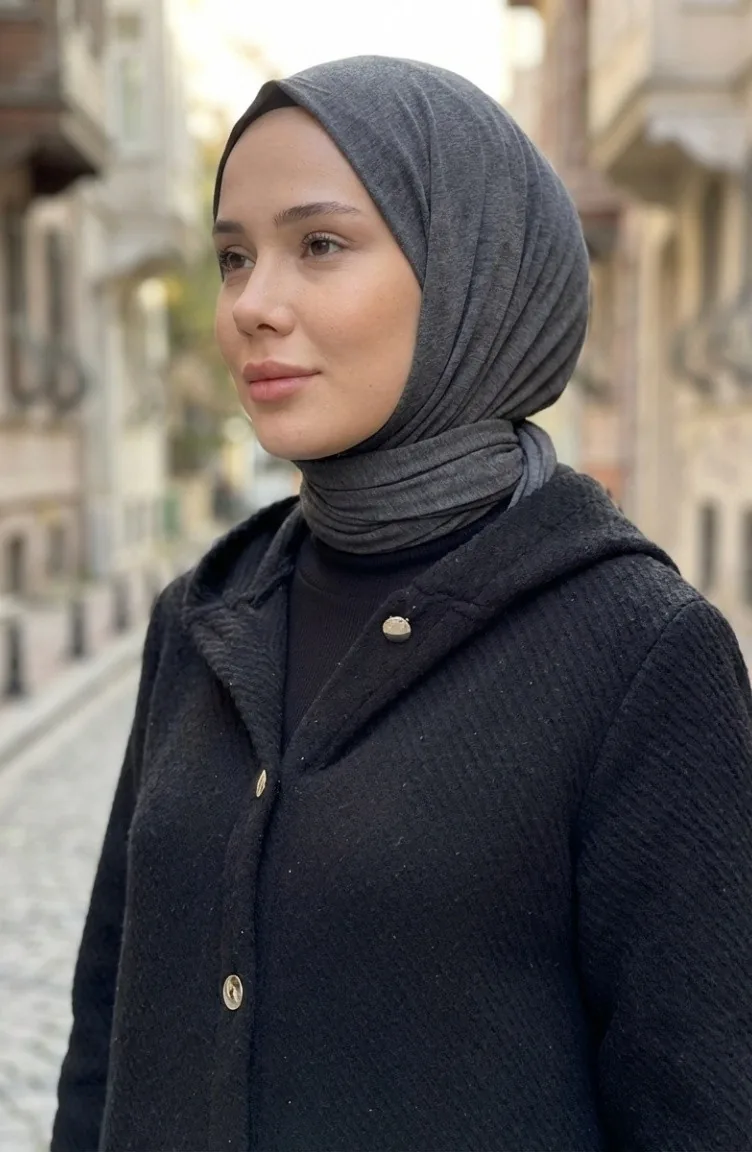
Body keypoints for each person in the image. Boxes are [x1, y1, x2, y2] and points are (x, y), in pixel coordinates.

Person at [51, 56, 752, 1152]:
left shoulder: (638, 653)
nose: (252, 305)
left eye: (319, 246)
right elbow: (105, 1033)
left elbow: (702, 1108)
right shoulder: (204, 616)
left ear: (471, 270)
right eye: (233, 257)